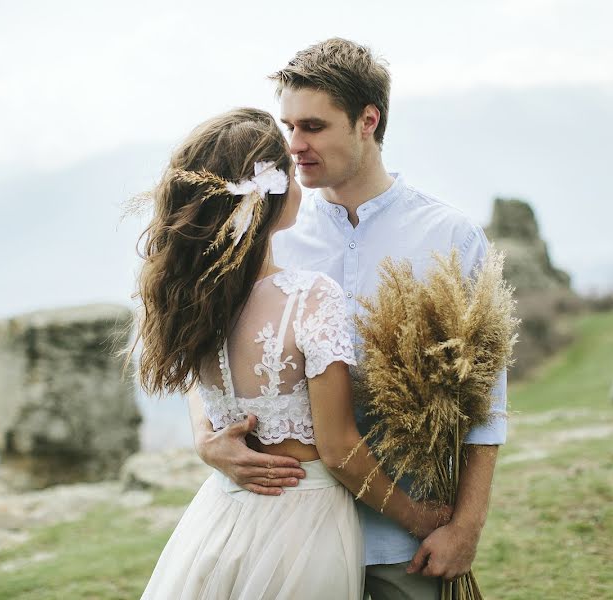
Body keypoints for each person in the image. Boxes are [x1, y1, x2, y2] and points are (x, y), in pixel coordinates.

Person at [194, 40, 509, 599]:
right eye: (288, 126)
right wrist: (206, 439)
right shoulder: (274, 234)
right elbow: (206, 343)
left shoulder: (449, 236)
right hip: (291, 532)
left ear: (369, 120)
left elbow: (486, 401)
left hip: (405, 542)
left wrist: (465, 525)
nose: (294, 146)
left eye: (312, 126)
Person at [135, 108, 450, 600]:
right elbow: (340, 449)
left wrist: (205, 437)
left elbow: (201, 383)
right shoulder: (310, 297)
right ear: (269, 189)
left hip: (221, 520)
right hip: (304, 525)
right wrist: (421, 518)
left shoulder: (197, 300)